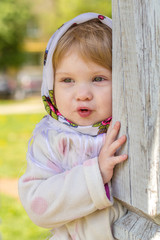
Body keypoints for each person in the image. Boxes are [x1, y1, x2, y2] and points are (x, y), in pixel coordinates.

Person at [18, 12, 128, 240]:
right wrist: (95, 174)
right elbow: (37, 205)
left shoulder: (129, 130)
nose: (83, 95)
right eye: (68, 80)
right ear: (51, 83)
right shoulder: (50, 139)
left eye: (98, 78)